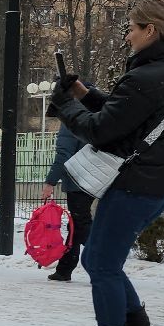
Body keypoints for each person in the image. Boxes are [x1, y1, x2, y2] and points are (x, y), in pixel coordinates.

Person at [51, 0, 164, 326]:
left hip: (137, 184)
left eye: (132, 28)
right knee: (103, 261)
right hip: (155, 183)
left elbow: (102, 130)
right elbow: (126, 113)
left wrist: (65, 106)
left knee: (101, 263)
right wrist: (82, 93)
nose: (128, 35)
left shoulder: (147, 77)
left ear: (151, 30)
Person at [43, 113, 94, 282]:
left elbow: (64, 154)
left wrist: (50, 182)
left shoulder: (73, 121)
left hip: (78, 181)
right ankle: (64, 269)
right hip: (98, 178)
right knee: (76, 225)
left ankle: (102, 264)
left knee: (81, 225)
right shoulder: (98, 116)